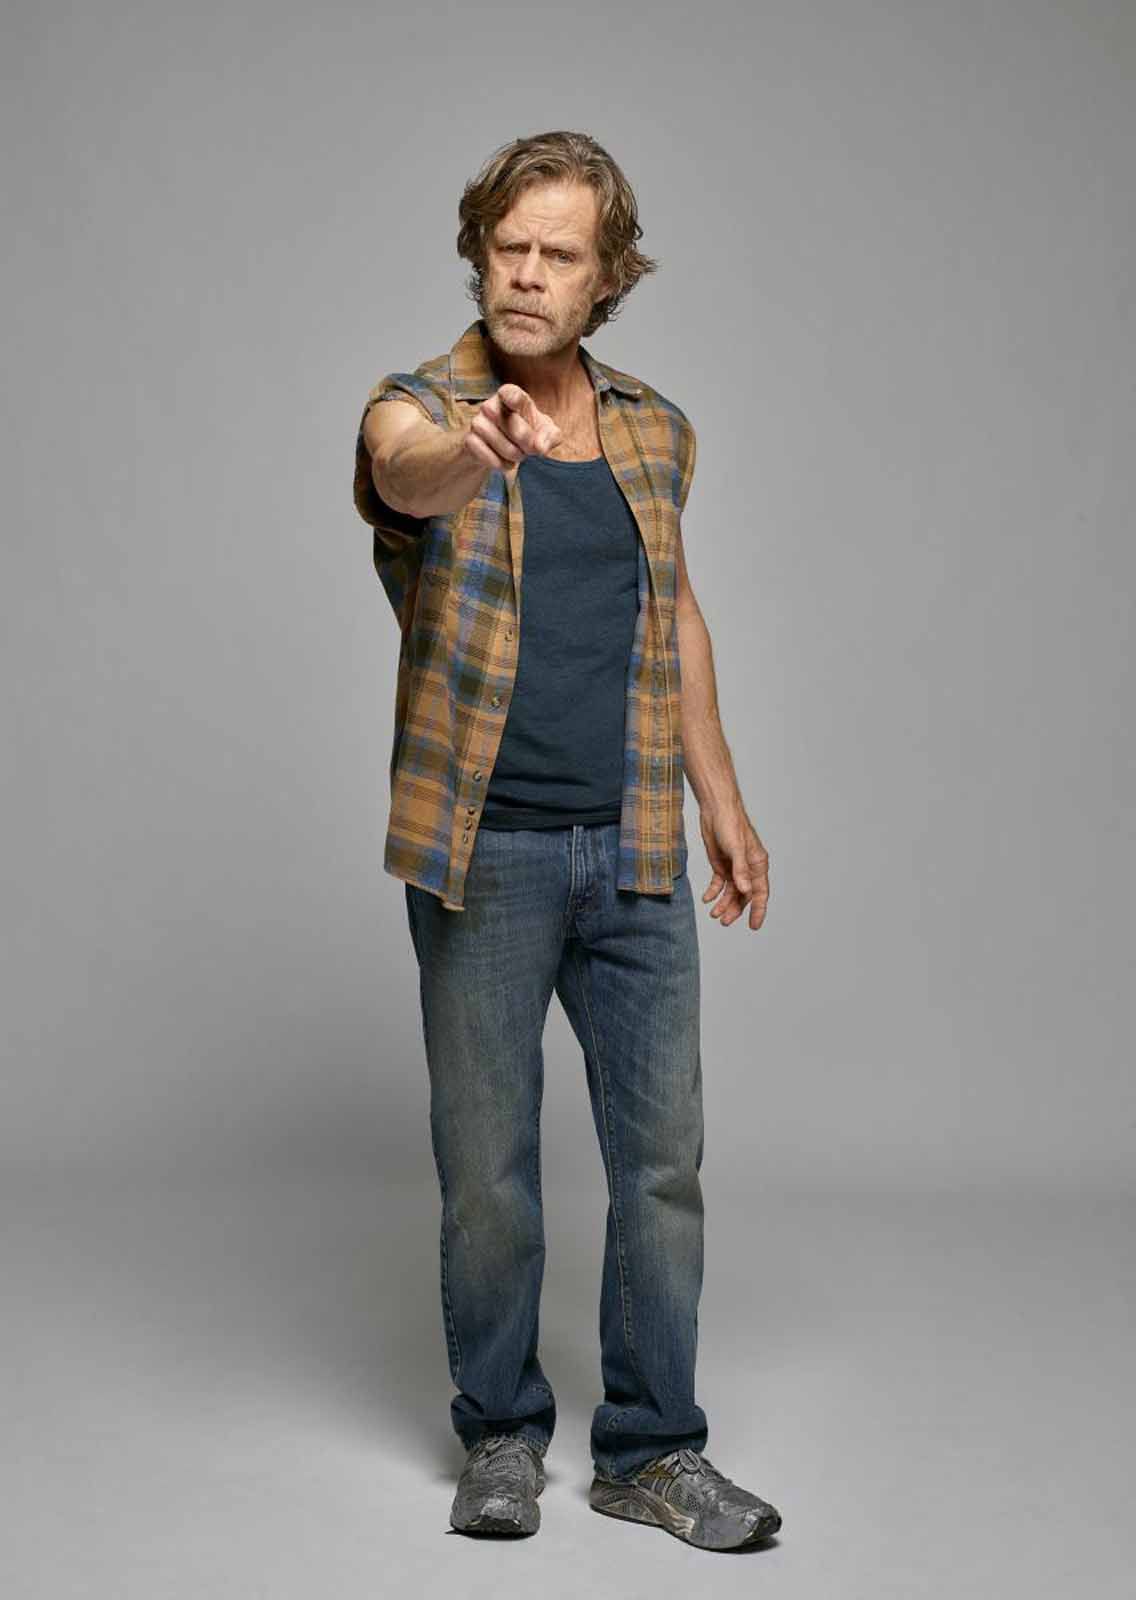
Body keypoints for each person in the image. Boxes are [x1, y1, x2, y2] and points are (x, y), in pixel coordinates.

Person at [352, 130, 779, 1552]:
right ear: (479, 253)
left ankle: (651, 1452)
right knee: (491, 1177)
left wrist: (722, 800)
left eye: (560, 255)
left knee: (662, 1167)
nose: (528, 274)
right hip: (487, 855)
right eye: (509, 247)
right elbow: (405, 476)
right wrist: (472, 454)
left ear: (606, 281)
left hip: (638, 845)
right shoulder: (420, 410)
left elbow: (677, 613)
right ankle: (500, 1435)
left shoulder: (658, 430)